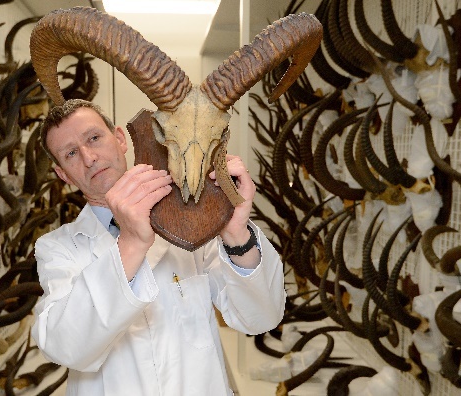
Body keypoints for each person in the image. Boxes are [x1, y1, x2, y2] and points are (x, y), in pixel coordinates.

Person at [31, 99, 285, 395]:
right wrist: (131, 242)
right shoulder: (57, 249)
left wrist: (236, 231)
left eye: (94, 138)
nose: (89, 158)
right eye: (71, 153)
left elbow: (262, 317)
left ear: (120, 138)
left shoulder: (191, 222)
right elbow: (65, 346)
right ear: (63, 174)